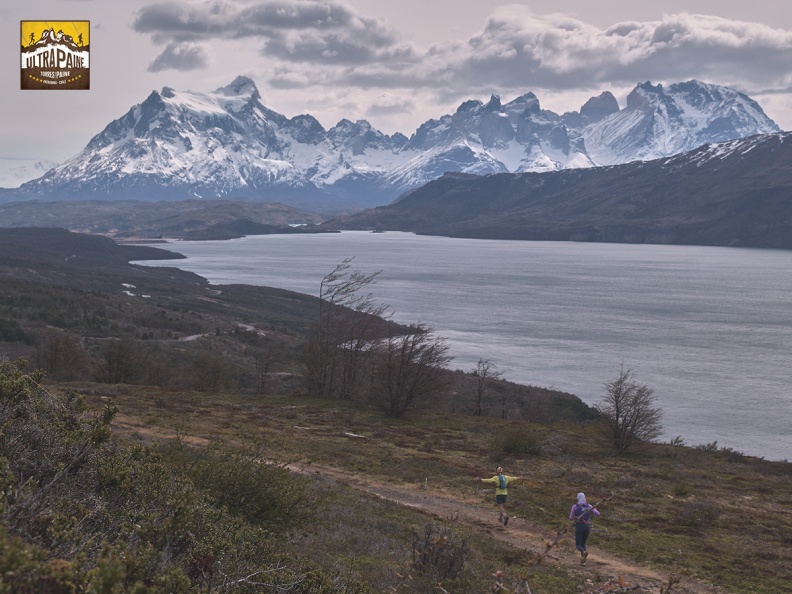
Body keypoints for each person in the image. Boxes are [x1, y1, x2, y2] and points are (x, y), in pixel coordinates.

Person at [569, 492, 600, 565]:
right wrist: (593, 509)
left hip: (579, 526)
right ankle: (583, 562)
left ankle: (583, 552)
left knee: (578, 544)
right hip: (587, 526)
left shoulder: (575, 506)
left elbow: (570, 518)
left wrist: (575, 517)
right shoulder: (589, 506)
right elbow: (598, 514)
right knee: (583, 543)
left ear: (578, 498)